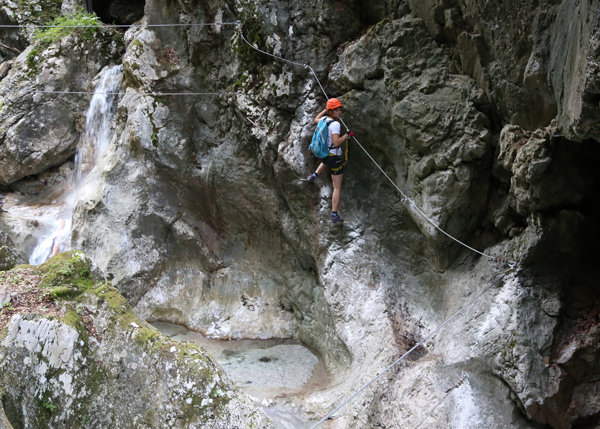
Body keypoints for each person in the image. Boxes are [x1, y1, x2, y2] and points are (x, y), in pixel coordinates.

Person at [306, 98, 353, 223]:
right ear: (331, 111)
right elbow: (336, 143)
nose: (339, 112)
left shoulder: (324, 120)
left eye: (339, 110)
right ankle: (334, 214)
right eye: (336, 110)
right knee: (337, 187)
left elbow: (315, 118)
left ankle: (313, 176)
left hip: (324, 154)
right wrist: (347, 135)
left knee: (326, 161)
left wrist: (325, 111)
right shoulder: (335, 124)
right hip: (334, 157)